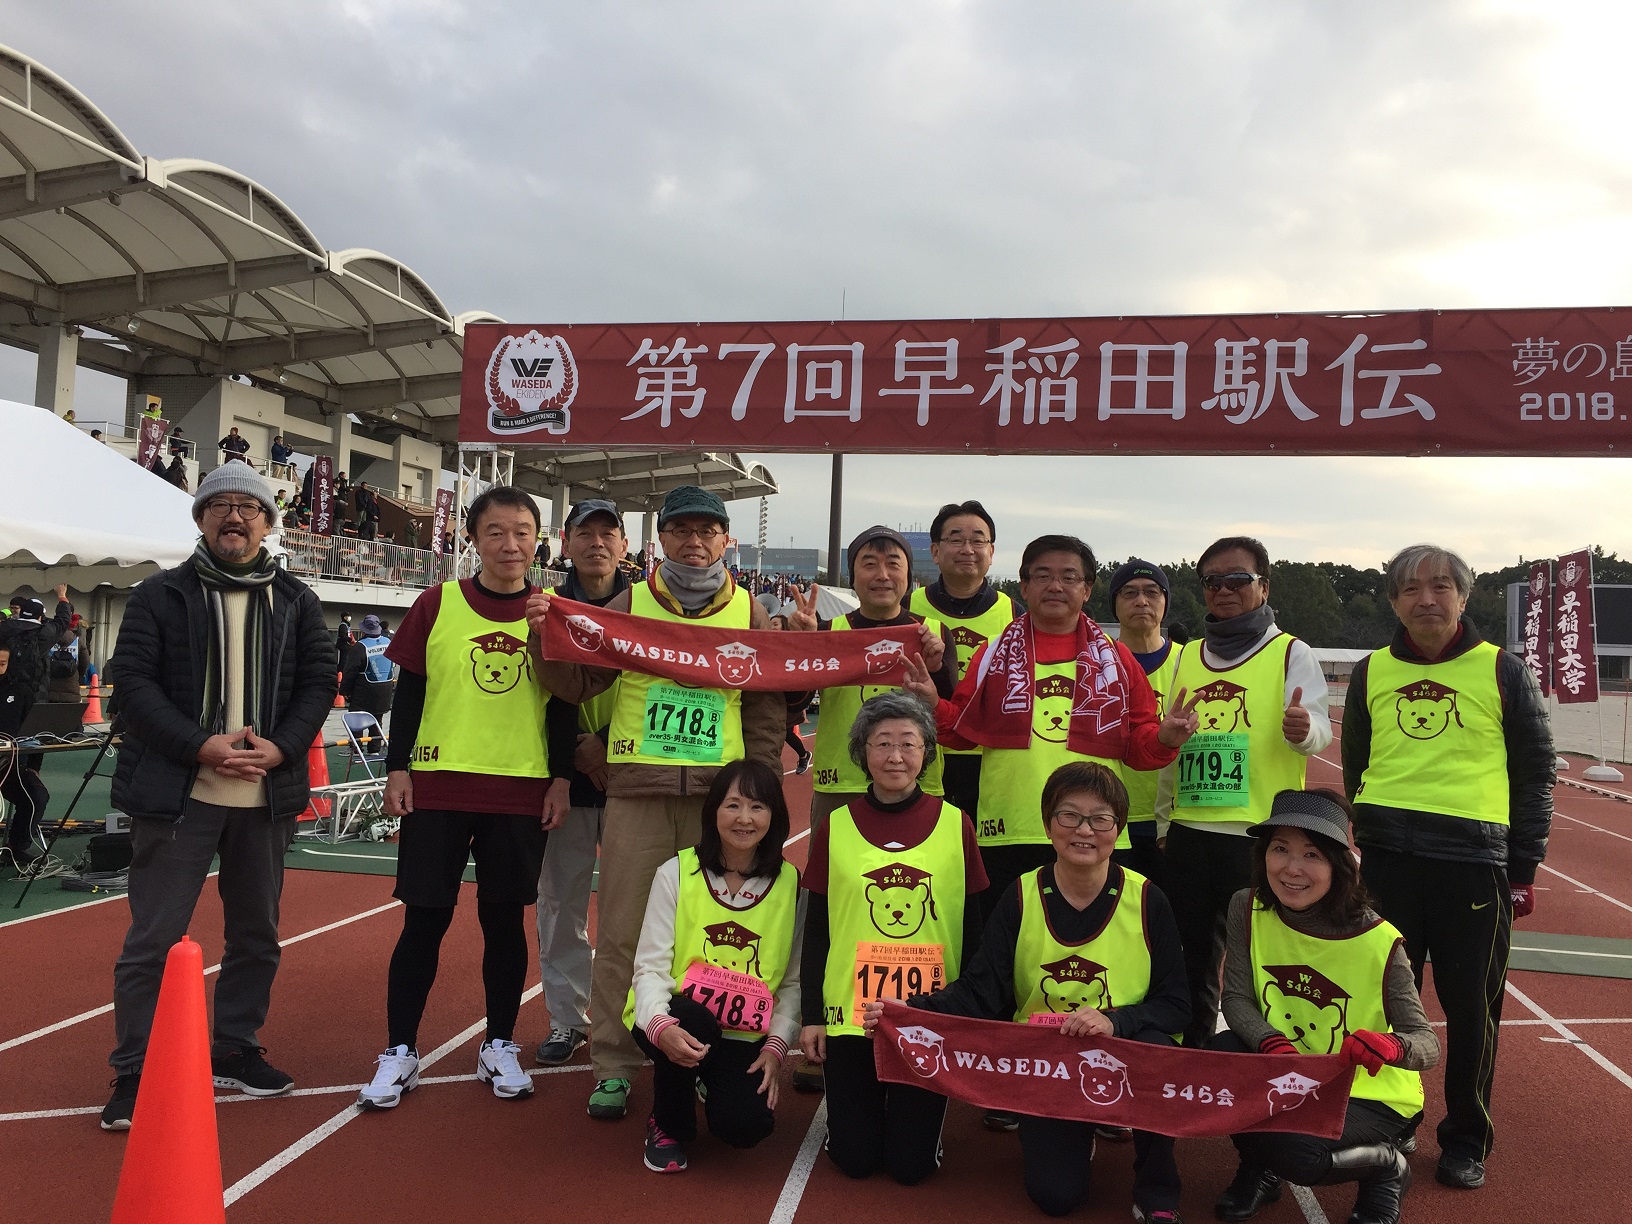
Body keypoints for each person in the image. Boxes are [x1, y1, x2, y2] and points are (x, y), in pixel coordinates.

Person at [528, 484, 785, 1122]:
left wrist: (757, 785)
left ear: (726, 540)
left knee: (712, 938)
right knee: (621, 932)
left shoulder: (750, 610)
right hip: (638, 795)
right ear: (661, 538)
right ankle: (613, 1063)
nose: (694, 543)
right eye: (681, 531)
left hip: (718, 804)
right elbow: (578, 681)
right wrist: (542, 637)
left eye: (707, 531)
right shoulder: (632, 601)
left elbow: (764, 705)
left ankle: (705, 1059)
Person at [101, 465, 336, 1131]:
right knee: (153, 939)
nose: (234, 517)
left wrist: (283, 747)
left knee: (257, 934)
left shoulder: (295, 599)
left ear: (267, 522)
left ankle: (233, 1046)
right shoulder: (159, 595)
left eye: (248, 507)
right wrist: (200, 745)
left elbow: (318, 681)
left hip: (264, 794)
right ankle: (136, 1069)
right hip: (179, 793)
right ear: (201, 518)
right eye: (220, 506)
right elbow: (133, 685)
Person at [871, 761, 1188, 1222]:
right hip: (1047, 1061)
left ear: (1118, 829)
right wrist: (911, 1009)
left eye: (1100, 819)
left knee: (1160, 1051)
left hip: (1127, 1052)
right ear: (1047, 823)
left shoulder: (1148, 899)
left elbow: (1176, 1005)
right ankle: (1077, 1133)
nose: (1084, 830)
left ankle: (1157, 1185)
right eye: (1069, 816)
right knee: (1055, 1197)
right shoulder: (1021, 895)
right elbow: (981, 991)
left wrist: (1115, 1020)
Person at [1341, 543, 1552, 1191]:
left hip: (1472, 866)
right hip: (1386, 865)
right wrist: (1369, 832)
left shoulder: (1504, 671)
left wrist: (1523, 868)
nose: (1426, 599)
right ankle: (1390, 1118)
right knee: (1382, 1003)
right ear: (1393, 601)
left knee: (1471, 1013)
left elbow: (1535, 774)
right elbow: (1356, 763)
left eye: (1440, 587)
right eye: (1410, 589)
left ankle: (1465, 1138)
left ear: (1463, 596)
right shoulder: (1371, 672)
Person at [358, 485, 574, 1110]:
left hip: (519, 790)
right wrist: (397, 769)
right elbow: (410, 694)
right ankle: (400, 1050)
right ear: (474, 539)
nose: (510, 544)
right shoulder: (438, 602)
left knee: (504, 923)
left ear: (538, 541)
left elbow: (564, 705)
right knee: (424, 920)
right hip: (439, 787)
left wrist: (561, 778)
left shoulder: (552, 613)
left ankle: (498, 1044)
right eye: (496, 532)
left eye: (523, 532)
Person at [1213, 789, 1437, 1224]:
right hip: (1288, 1069)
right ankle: (1259, 1170)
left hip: (1366, 1092)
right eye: (1280, 849)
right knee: (1219, 1062)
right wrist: (1270, 1042)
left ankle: (1387, 1166)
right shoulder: (1247, 906)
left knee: (1297, 1151)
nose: (1291, 868)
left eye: (1311, 854)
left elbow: (1427, 1044)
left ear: (1338, 864)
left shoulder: (1378, 939)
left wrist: (1390, 1047)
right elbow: (1236, 998)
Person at [799, 692, 988, 1184]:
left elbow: (974, 926)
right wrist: (812, 1015)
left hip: (927, 1013)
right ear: (862, 752)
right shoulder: (835, 826)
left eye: (909, 743)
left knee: (910, 1167)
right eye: (882, 743)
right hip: (850, 1017)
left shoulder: (957, 825)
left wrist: (965, 1010)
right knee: (855, 1161)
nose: (896, 756)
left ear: (927, 752)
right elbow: (817, 927)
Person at [1156, 536, 1331, 1049]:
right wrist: (1165, 821)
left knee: (1263, 960)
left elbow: (1319, 728)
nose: (1224, 590)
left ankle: (1268, 1063)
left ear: (1264, 587)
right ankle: (1194, 1059)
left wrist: (1305, 731)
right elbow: (1172, 745)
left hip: (1257, 838)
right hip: (1190, 834)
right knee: (1191, 960)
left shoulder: (1291, 652)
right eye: (1212, 581)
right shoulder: (1188, 655)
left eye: (1238, 579)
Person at [628, 759, 804, 1173]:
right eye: (733, 805)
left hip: (743, 1033)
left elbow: (793, 981)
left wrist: (776, 1047)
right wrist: (660, 1026)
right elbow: (650, 967)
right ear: (713, 812)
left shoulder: (791, 884)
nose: (745, 818)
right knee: (694, 1023)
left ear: (774, 816)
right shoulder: (675, 873)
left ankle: (708, 1077)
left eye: (757, 807)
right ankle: (668, 1123)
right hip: (676, 1017)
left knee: (746, 1128)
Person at [533, 499, 630, 1067]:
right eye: (584, 533)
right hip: (564, 779)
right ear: (565, 543)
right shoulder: (547, 608)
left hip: (631, 777)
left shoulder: (646, 609)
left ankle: (633, 1018)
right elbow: (538, 691)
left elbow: (658, 684)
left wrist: (608, 744)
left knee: (633, 908)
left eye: (607, 533)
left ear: (624, 545)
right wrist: (572, 758)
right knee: (560, 904)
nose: (597, 543)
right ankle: (567, 1019)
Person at [787, 524, 955, 832]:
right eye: (869, 564)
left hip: (916, 782)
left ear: (908, 576)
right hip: (841, 784)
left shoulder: (934, 634)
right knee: (833, 863)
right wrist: (804, 650)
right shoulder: (827, 631)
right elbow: (794, 705)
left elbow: (951, 714)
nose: (882, 575)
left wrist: (937, 670)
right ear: (853, 577)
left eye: (893, 564)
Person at [908, 500, 1018, 818]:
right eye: (955, 539)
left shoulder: (1014, 615)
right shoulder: (905, 607)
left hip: (988, 758)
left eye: (978, 540)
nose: (967, 549)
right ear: (935, 551)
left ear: (991, 552)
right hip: (919, 755)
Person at [1107, 560, 1179, 892]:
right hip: (1108, 814)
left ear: (1165, 601)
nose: (1141, 601)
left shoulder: (1189, 661)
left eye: (1152, 592)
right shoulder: (1095, 660)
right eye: (1129, 593)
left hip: (1172, 818)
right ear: (1115, 603)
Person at [0, 645, 51, 870]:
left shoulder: (21, 691)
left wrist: (33, 767)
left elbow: (36, 732)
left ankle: (16, 847)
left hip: (10, 765)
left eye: (2, 664)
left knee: (36, 796)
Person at [0, 588, 75, 702]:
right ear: (40, 616)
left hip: (6, 687)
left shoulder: (5, 628)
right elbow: (63, 620)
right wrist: (62, 596)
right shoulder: (46, 632)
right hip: (36, 690)